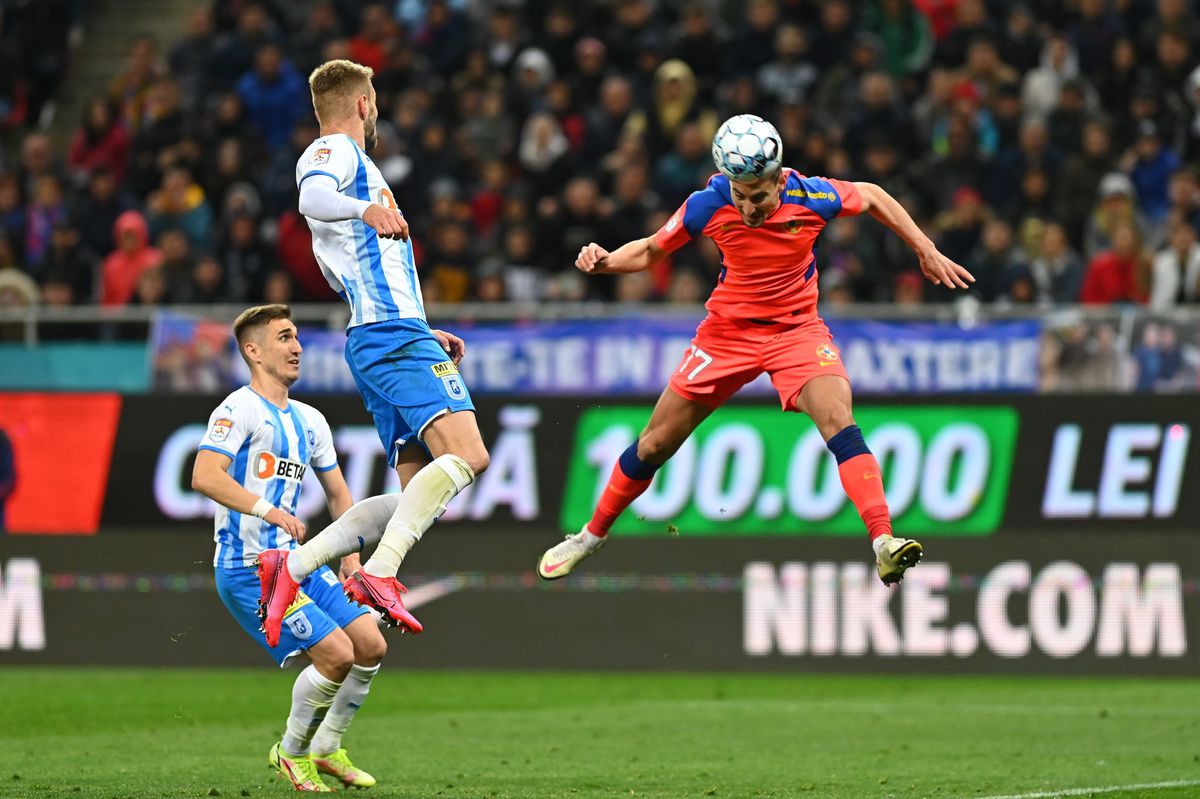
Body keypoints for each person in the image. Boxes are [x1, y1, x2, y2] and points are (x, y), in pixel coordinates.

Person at [538, 114, 974, 586]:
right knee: (655, 443)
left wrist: (924, 248)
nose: (749, 207)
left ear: (779, 177)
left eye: (759, 196)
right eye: (740, 195)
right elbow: (649, 250)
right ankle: (589, 537)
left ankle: (883, 541)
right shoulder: (708, 203)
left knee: (839, 421)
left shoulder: (812, 195)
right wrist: (603, 262)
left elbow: (871, 194)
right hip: (725, 335)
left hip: (796, 332)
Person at [254, 59, 489, 639]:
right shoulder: (333, 154)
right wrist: (368, 208)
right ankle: (378, 571)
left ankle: (296, 564)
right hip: (389, 335)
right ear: (362, 104)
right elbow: (312, 198)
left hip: (385, 332)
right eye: (375, 99)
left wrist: (420, 326)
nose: (376, 108)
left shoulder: (358, 167)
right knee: (472, 456)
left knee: (418, 496)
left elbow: (357, 268)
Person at [191, 304, 394, 791]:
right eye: (284, 337)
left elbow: (340, 495)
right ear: (254, 352)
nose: (297, 346)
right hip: (248, 569)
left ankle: (326, 748)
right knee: (336, 656)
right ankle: (291, 750)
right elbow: (203, 475)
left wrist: (351, 560)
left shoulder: (310, 421)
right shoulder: (236, 410)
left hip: (301, 565)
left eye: (297, 337)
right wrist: (267, 510)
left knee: (370, 645)